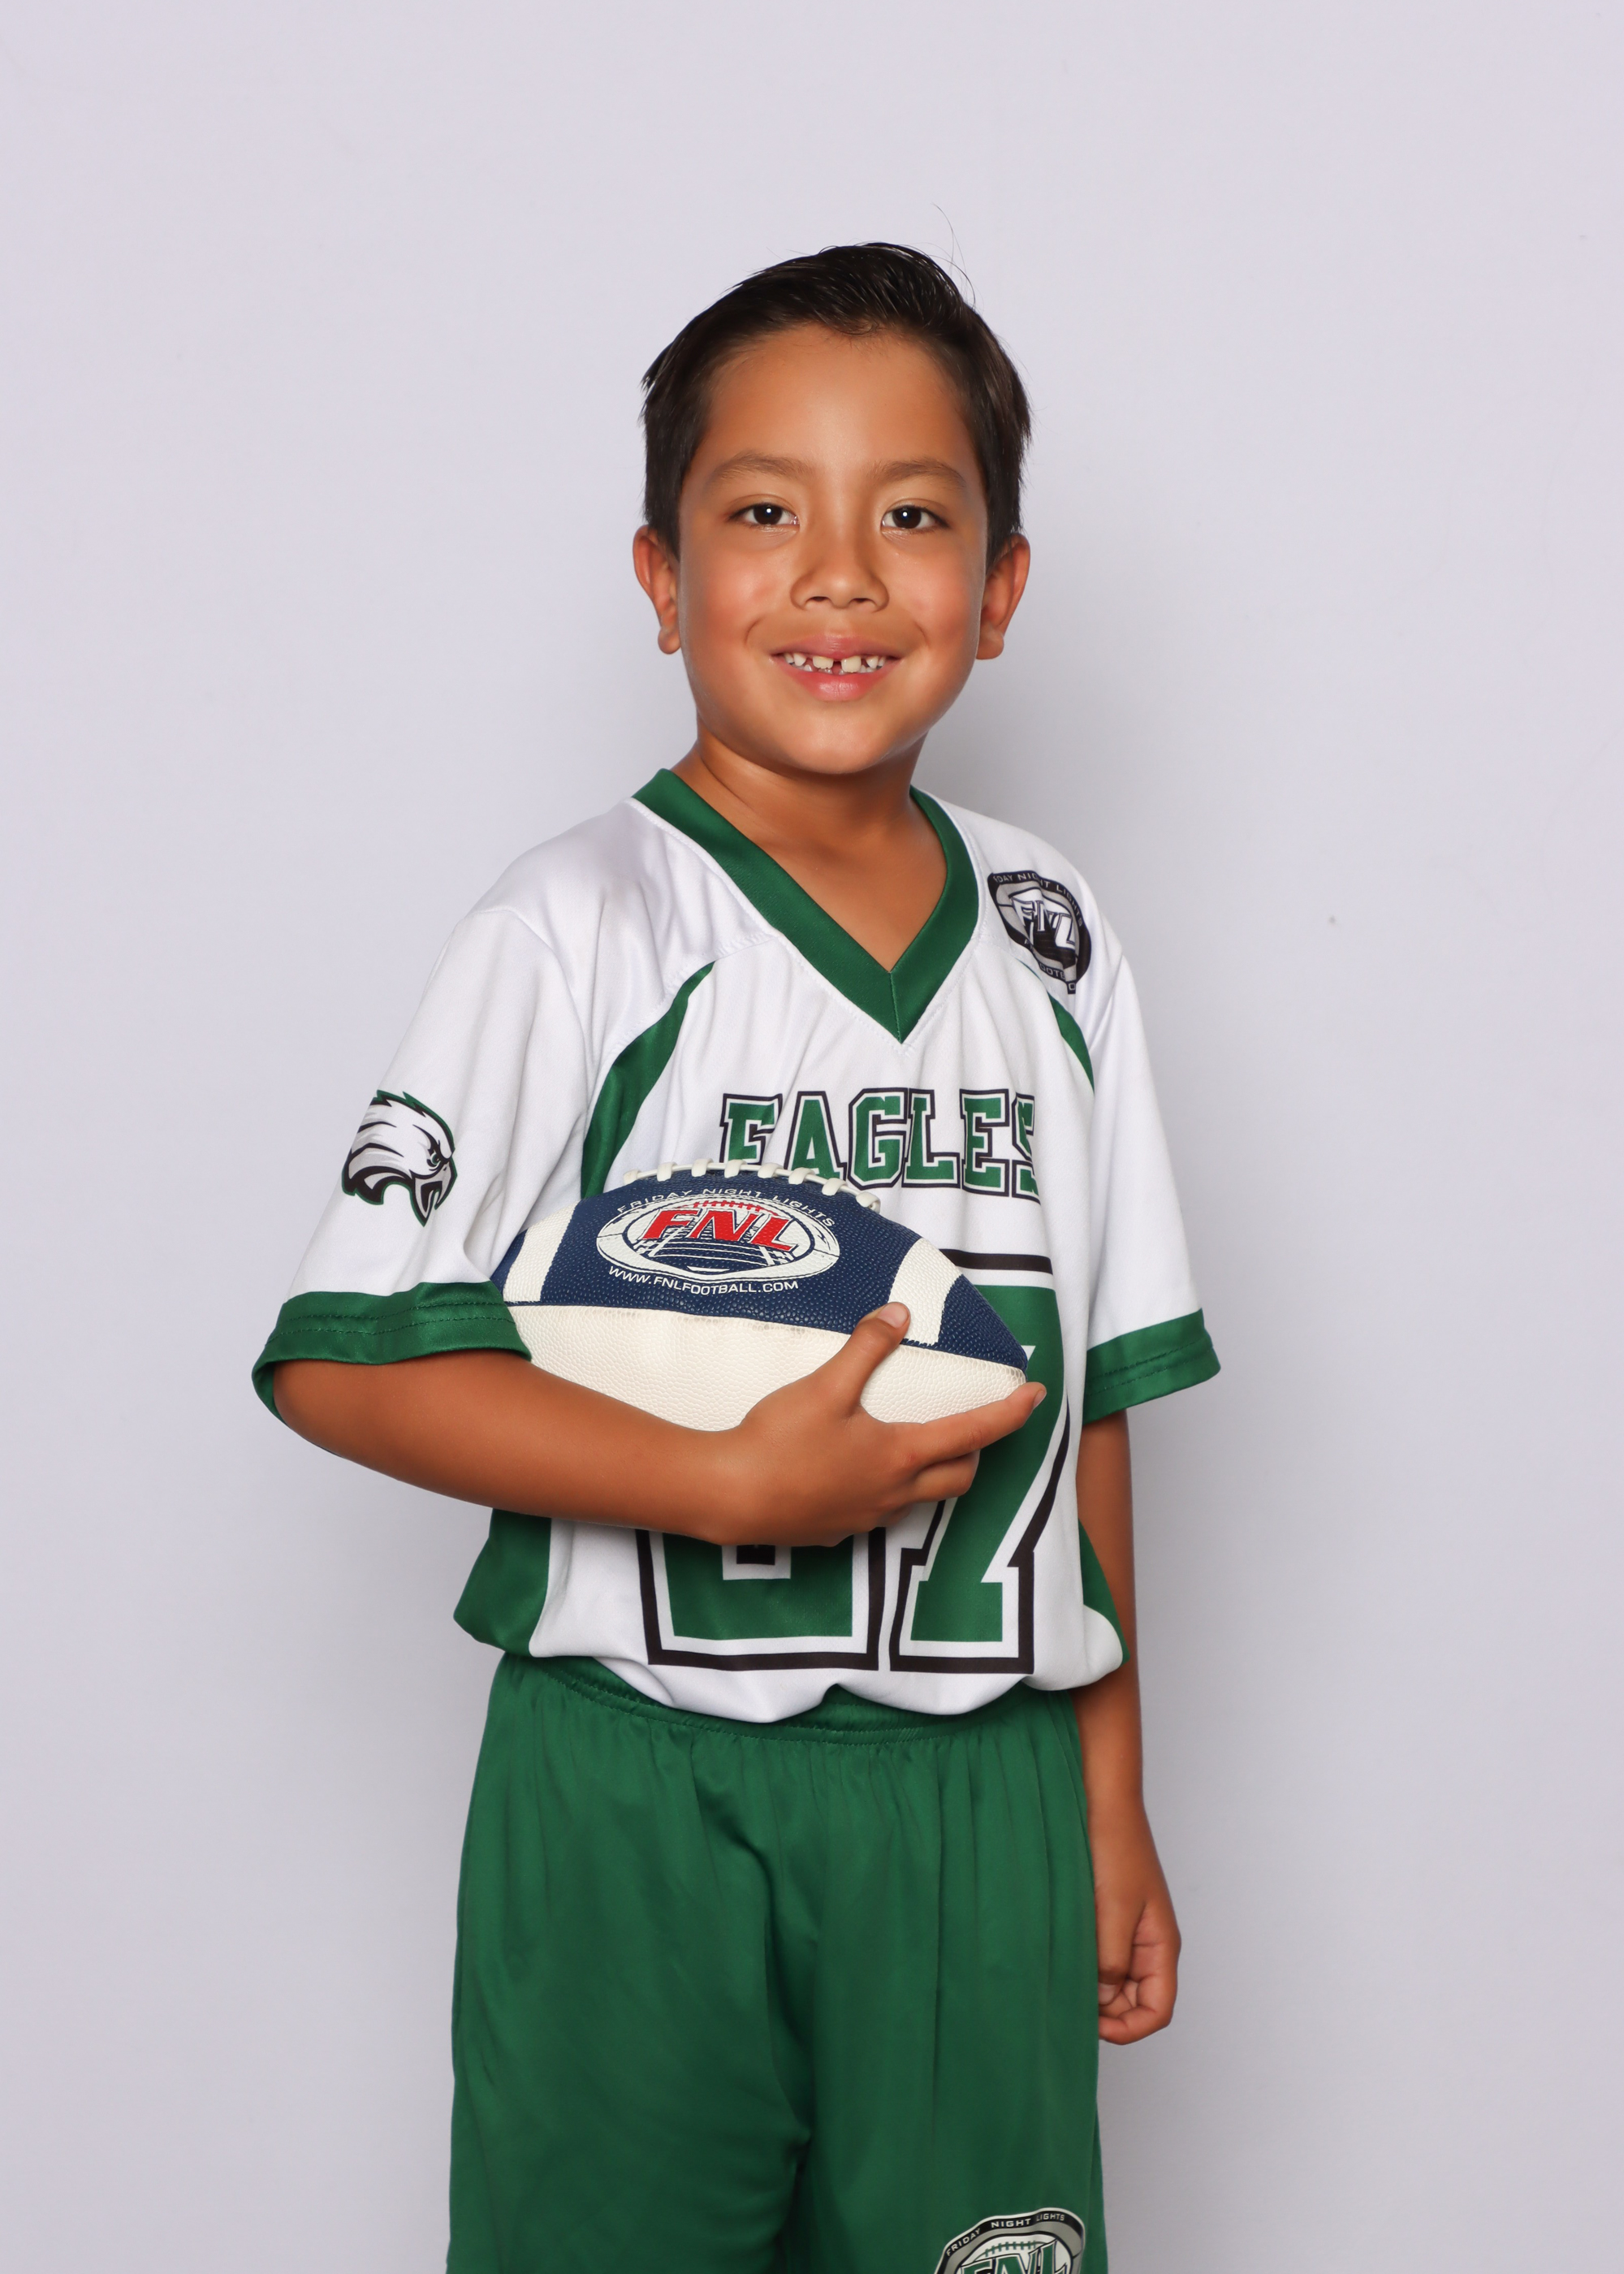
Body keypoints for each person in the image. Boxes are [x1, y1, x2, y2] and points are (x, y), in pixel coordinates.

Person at [256, 243, 1219, 2274]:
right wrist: (725, 1480)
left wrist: (1108, 1793)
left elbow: (1091, 1401)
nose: (840, 575)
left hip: (976, 1793)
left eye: (914, 517)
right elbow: (344, 1355)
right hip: (638, 1785)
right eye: (765, 510)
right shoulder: (581, 925)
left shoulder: (1048, 934)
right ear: (661, 574)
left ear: (1002, 586)